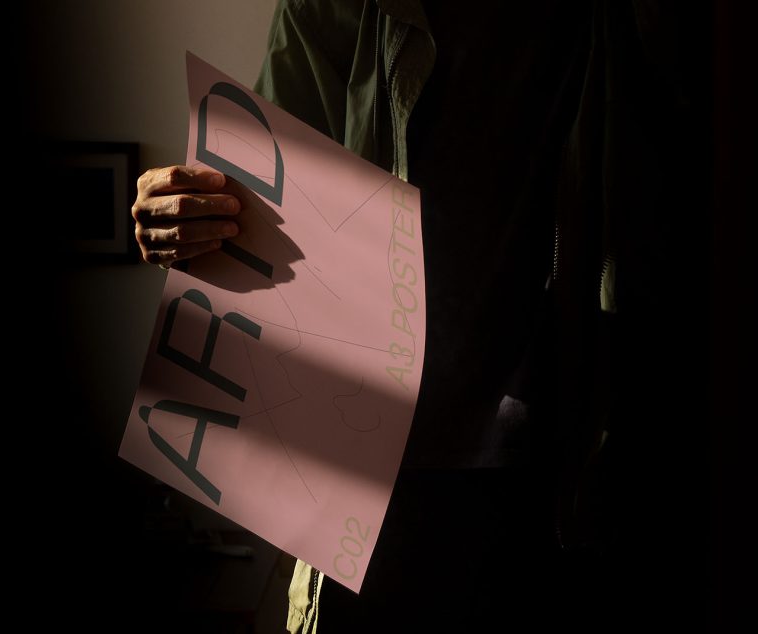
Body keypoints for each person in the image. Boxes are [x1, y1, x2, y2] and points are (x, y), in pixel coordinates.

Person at [131, 1, 710, 632]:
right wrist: (187, 220)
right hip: (369, 486)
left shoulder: (623, 19)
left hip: (568, 481)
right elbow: (252, 213)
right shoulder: (331, 9)